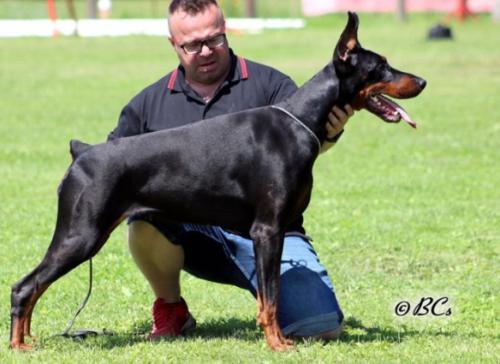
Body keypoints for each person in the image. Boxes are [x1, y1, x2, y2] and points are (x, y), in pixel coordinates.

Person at [108, 0, 354, 340]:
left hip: (270, 232)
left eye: (215, 39)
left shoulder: (272, 86)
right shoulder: (148, 105)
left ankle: (275, 298)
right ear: (173, 44)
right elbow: (113, 169)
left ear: (226, 31)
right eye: (193, 45)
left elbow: (300, 153)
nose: (206, 51)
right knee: (143, 219)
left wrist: (329, 135)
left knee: (319, 328)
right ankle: (170, 305)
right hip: (191, 233)